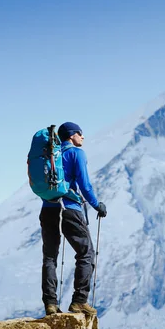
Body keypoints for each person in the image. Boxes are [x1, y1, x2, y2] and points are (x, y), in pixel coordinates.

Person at [39, 122, 107, 316]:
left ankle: (50, 305)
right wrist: (97, 205)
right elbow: (85, 185)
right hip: (69, 209)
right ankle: (79, 301)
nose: (83, 137)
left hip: (48, 209)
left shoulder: (50, 154)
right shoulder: (76, 153)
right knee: (86, 253)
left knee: (50, 257)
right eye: (80, 133)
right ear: (71, 135)